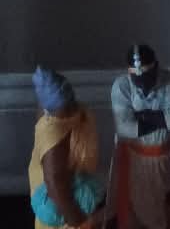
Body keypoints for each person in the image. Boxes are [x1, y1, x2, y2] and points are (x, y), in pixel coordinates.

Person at [111, 43, 170, 229]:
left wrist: (142, 116)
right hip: (135, 160)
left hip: (167, 157)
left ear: (156, 67)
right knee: (136, 208)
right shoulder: (121, 86)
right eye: (138, 81)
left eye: (148, 79)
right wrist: (161, 118)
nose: (144, 86)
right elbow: (124, 128)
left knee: (168, 207)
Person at [29, 66, 105, 228]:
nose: (72, 110)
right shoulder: (53, 137)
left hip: (73, 187)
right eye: (66, 108)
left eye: (71, 103)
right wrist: (79, 221)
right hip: (66, 209)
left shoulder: (69, 114)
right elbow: (55, 183)